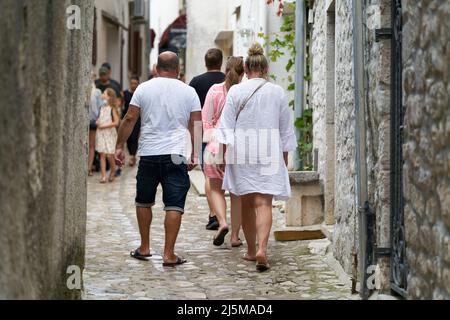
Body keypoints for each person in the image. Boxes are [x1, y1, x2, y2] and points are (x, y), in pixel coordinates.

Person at [115, 52, 201, 267]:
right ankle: (168, 254)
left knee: (144, 200)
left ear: (156, 68)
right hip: (176, 153)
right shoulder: (189, 91)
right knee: (174, 203)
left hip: (149, 153)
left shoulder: (143, 88)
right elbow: (196, 124)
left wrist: (118, 146)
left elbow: (130, 118)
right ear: (178, 69)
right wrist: (196, 153)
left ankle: (144, 247)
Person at [216, 43, 297, 272]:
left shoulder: (235, 91)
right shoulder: (278, 92)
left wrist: (223, 155)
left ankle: (251, 251)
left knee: (248, 202)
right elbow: (285, 129)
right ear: (265, 69)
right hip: (269, 149)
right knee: (265, 203)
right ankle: (263, 248)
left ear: (247, 69)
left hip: (242, 149)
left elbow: (226, 127)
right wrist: (284, 155)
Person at [202, 57, 245, 248]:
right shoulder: (244, 93)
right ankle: (235, 236)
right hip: (238, 147)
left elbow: (205, 121)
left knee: (216, 189)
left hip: (215, 146)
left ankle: (222, 222)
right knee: (237, 193)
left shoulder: (214, 90)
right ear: (243, 73)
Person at [189, 48, 226, 231]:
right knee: (223, 175)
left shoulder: (196, 82)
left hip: (203, 133)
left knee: (208, 175)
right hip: (224, 134)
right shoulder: (228, 80)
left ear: (206, 62)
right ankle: (222, 214)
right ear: (221, 62)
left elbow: (190, 108)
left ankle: (214, 215)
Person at [96, 88, 120, 184]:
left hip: (109, 133)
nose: (102, 94)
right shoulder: (101, 107)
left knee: (109, 155)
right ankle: (103, 176)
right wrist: (98, 121)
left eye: (104, 93)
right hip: (101, 133)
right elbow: (100, 118)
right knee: (102, 154)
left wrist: (104, 126)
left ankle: (113, 170)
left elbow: (116, 122)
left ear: (109, 96)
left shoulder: (112, 108)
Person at [88, 71, 105, 177]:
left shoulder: (97, 92)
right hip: (82, 122)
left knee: (91, 145)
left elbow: (101, 106)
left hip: (93, 121)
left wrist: (100, 119)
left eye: (92, 77)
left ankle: (88, 167)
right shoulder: (82, 90)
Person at [122, 76, 141, 167]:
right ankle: (131, 154)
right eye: (132, 83)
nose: (133, 85)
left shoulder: (139, 93)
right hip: (127, 117)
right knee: (128, 137)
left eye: (135, 83)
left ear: (138, 84)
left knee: (134, 137)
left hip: (137, 118)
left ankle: (132, 156)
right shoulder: (125, 93)